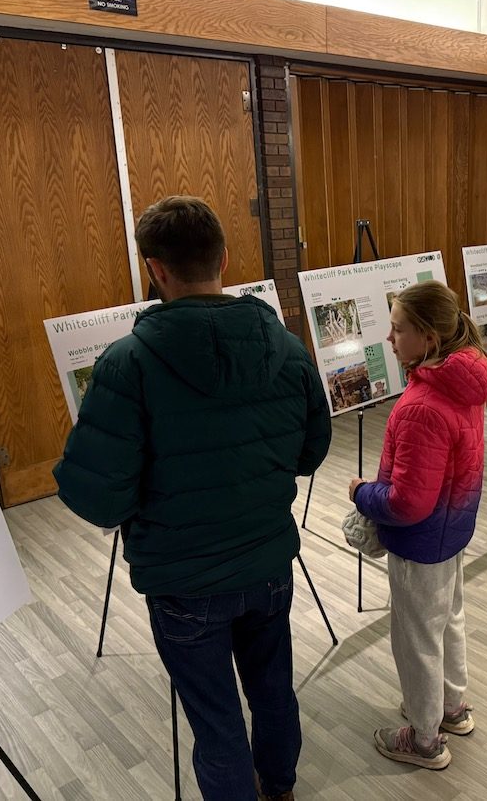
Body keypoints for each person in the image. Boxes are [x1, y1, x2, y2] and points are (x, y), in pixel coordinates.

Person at [54, 196, 332, 801]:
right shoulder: (285, 348)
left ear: (154, 269)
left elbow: (99, 498)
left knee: (216, 722)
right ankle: (279, 789)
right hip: (267, 564)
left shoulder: (125, 365)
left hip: (183, 581)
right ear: (224, 258)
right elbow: (310, 452)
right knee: (272, 688)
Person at [349, 280, 487, 770]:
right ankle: (451, 707)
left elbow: (408, 503)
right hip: (453, 529)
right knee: (447, 621)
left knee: (416, 641)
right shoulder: (463, 382)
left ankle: (426, 738)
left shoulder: (421, 407)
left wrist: (361, 494)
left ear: (429, 338)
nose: (389, 340)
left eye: (397, 330)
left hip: (421, 538)